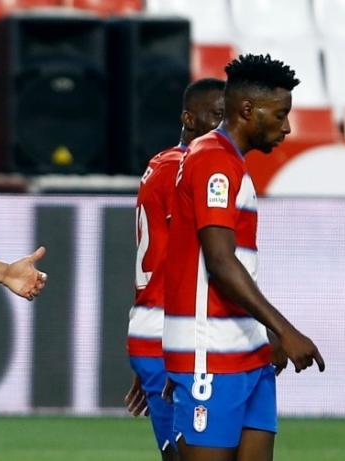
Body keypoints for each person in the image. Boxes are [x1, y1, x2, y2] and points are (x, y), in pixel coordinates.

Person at [162, 54, 325, 461]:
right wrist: (284, 328)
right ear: (248, 110)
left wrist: (263, 333)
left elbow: (234, 264)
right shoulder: (213, 158)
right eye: (281, 114)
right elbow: (219, 261)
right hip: (210, 352)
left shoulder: (230, 162)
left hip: (245, 349)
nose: (286, 127)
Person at [125, 78, 225, 461]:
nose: (224, 126)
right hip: (172, 334)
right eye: (217, 115)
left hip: (162, 333)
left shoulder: (161, 163)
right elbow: (204, 260)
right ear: (189, 118)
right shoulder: (185, 169)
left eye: (227, 117)